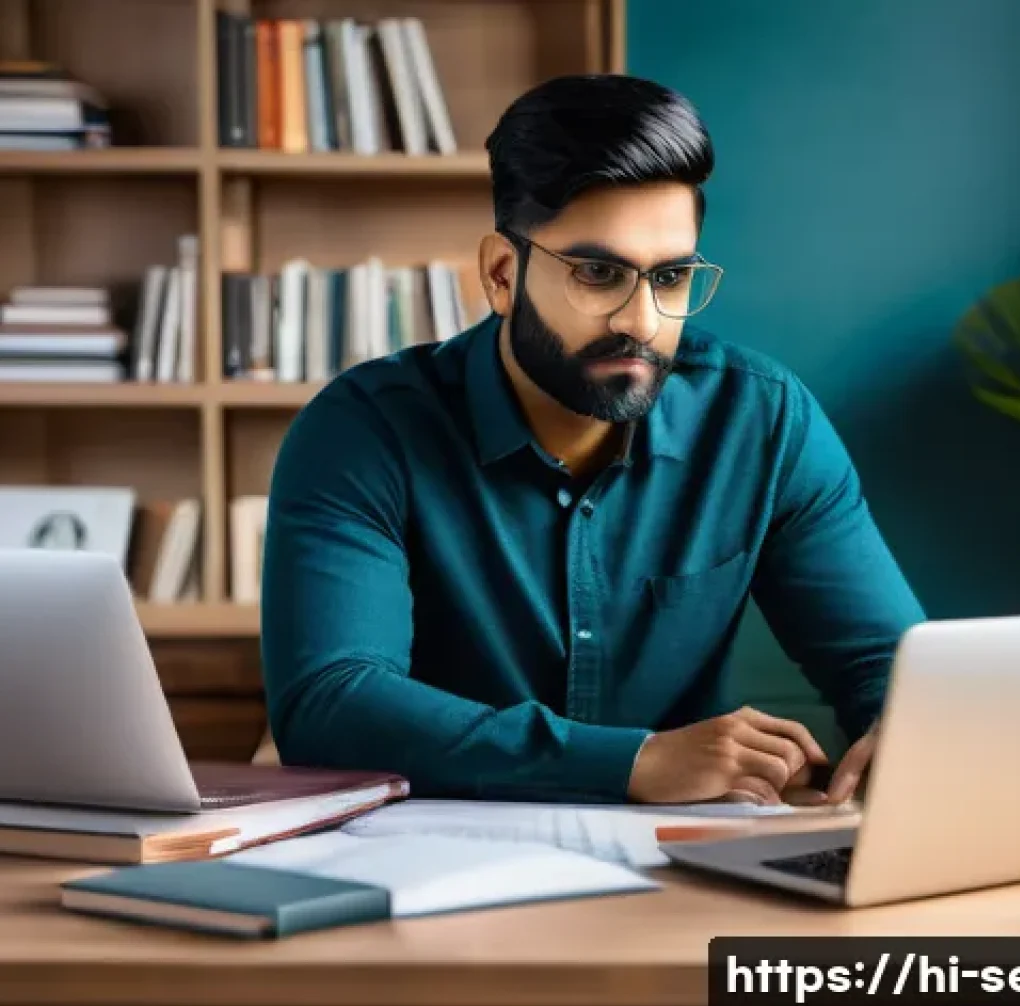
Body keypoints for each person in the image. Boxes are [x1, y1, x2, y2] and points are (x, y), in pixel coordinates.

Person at [260, 74, 925, 807]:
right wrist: (632, 762)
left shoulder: (762, 422)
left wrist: (907, 726)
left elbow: (886, 664)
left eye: (670, 277)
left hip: (684, 869)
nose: (641, 319)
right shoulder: (362, 431)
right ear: (502, 274)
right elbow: (330, 703)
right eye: (598, 273)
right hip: (432, 867)